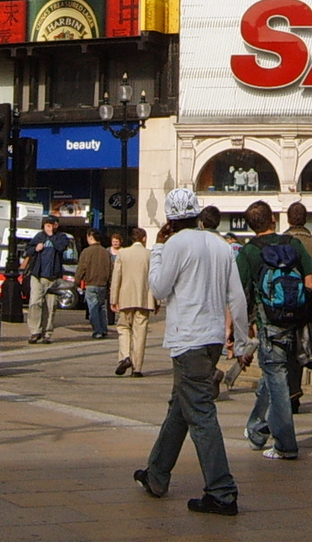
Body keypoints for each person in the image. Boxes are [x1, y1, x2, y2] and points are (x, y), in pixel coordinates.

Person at [134, 188, 248, 517]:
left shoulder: (174, 244)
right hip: (211, 338)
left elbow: (158, 288)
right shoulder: (220, 245)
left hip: (188, 339)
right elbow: (237, 298)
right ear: (197, 213)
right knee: (180, 408)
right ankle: (156, 475)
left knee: (199, 413)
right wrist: (239, 341)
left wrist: (157, 248)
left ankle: (222, 491)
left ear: (170, 218)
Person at [234, 200, 312, 460]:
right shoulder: (291, 244)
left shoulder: (248, 252)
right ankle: (257, 430)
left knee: (277, 378)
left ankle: (285, 444)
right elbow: (310, 282)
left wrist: (241, 328)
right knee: (274, 375)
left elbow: (239, 294)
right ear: (272, 219)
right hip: (295, 320)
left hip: (268, 322)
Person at [283, 201, 312, 413]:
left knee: (285, 349)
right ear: (306, 219)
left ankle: (285, 391)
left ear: (289, 219)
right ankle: (295, 392)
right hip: (305, 305)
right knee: (301, 346)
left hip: (282, 304)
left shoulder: (282, 242)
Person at [111, 226, 155, 376]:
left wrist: (113, 298)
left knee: (123, 328)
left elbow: (116, 278)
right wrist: (156, 300)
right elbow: (154, 279)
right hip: (144, 298)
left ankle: (125, 356)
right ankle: (137, 368)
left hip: (125, 297)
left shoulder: (123, 254)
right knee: (140, 333)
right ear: (143, 239)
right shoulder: (150, 255)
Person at [25, 215, 72, 344]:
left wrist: (51, 235)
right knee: (35, 303)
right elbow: (28, 250)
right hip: (37, 275)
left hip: (52, 276)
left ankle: (47, 333)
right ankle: (35, 331)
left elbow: (61, 247)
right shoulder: (39, 236)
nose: (49, 227)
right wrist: (35, 248)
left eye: (51, 225)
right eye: (47, 225)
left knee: (50, 306)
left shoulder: (61, 237)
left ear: (56, 225)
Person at [77, 229, 114, 340]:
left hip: (91, 283)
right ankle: (103, 329)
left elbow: (81, 268)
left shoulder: (86, 252)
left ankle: (97, 330)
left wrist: (76, 281)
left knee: (93, 308)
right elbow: (111, 269)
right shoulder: (106, 252)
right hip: (103, 284)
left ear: (90, 237)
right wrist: (110, 283)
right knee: (101, 307)